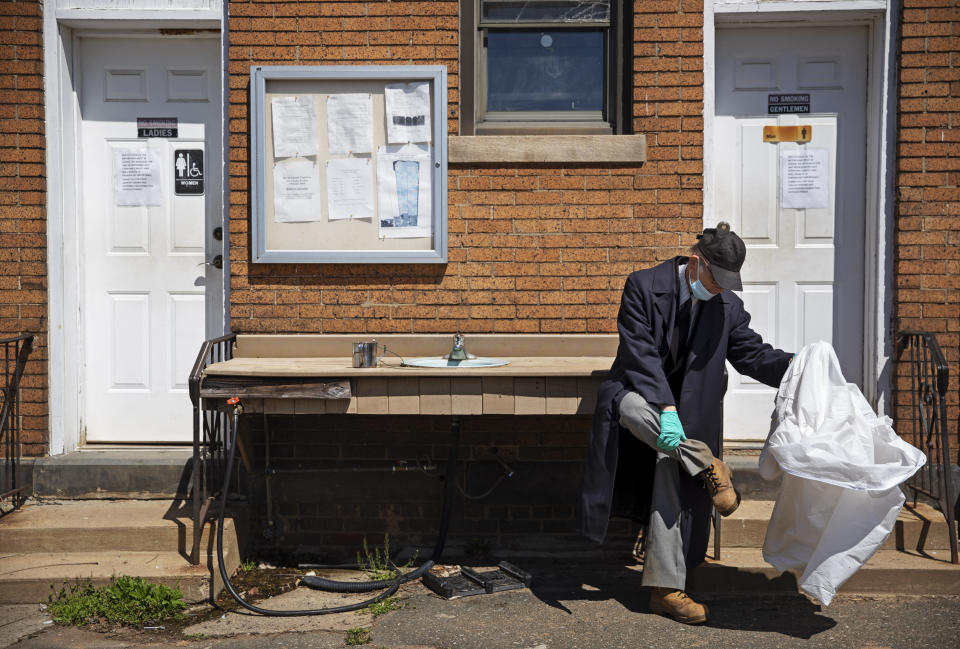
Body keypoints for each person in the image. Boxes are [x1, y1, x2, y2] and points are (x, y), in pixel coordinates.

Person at [580, 222, 793, 624]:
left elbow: (751, 354)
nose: (720, 289)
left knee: (667, 459)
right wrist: (665, 406)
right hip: (638, 395)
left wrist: (798, 368)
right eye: (716, 279)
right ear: (695, 263)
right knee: (631, 410)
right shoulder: (642, 285)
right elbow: (639, 353)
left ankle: (665, 589)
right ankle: (708, 464)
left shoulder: (727, 306)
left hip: (686, 417)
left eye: (728, 283)